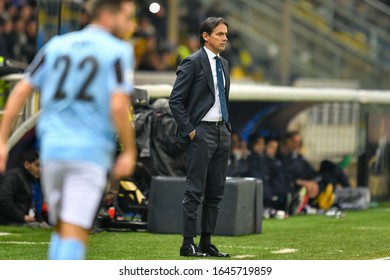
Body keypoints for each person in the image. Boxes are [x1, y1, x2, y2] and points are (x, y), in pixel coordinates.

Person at [0, 0, 138, 260]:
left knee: (63, 229)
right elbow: (119, 105)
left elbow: (20, 90)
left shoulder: (56, 45)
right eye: (128, 17)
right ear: (109, 16)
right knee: (76, 234)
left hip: (52, 151)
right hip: (88, 151)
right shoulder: (118, 50)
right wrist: (130, 150)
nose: (131, 25)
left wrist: (2, 140)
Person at [169, 17, 231, 257]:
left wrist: (227, 128)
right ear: (206, 36)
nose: (225, 38)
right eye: (220, 34)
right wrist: (191, 130)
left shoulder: (224, 64)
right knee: (195, 190)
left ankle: (206, 242)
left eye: (226, 34)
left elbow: (222, 99)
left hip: (221, 131)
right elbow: (175, 100)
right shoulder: (192, 62)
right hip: (201, 132)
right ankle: (187, 243)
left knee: (216, 191)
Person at [0, 149, 48, 226]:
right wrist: (22, 217)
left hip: (22, 220)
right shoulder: (13, 176)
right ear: (26, 164)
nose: (39, 170)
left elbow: (30, 205)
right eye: (37, 165)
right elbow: (4, 199)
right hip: (10, 221)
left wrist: (40, 220)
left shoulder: (31, 179)